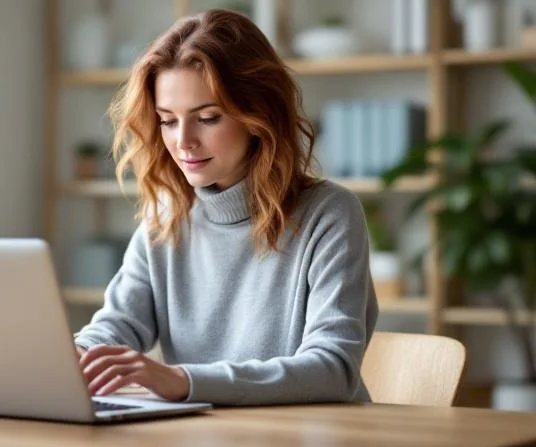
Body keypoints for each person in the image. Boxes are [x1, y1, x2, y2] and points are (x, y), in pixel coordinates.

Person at [73, 9, 378, 406]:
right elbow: (114, 329)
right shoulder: (165, 218)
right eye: (167, 120)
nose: (183, 141)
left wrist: (183, 381)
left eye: (207, 118)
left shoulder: (330, 214)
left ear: (258, 115)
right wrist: (70, 360)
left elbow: (332, 369)